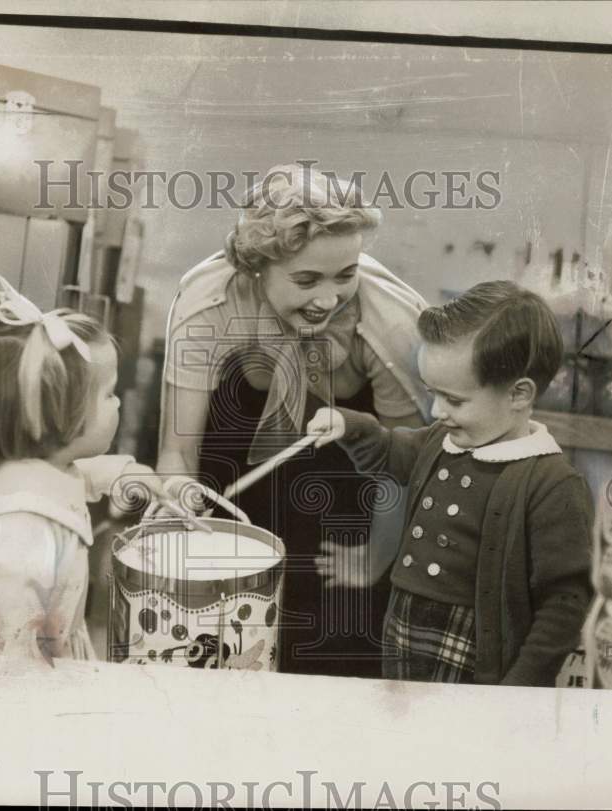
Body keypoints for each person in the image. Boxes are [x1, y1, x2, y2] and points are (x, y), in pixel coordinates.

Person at [156, 164, 431, 678]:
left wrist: (375, 559)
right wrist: (186, 543)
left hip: (349, 486)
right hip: (232, 474)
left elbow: (404, 462)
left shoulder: (391, 320)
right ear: (259, 267)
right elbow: (176, 453)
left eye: (345, 275)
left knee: (334, 643)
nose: (328, 298)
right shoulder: (206, 303)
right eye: (306, 280)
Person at [308, 280, 593, 686]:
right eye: (432, 393)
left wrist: (520, 687)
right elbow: (391, 451)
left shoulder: (552, 483)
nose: (437, 411)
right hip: (403, 628)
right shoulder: (443, 441)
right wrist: (350, 427)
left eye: (454, 400)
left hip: (472, 651)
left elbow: (565, 602)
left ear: (519, 394)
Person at [0, 278, 168, 671]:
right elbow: (19, 639)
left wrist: (127, 474)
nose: (119, 401)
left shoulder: (29, 473)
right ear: (64, 418)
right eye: (108, 394)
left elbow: (76, 474)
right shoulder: (22, 527)